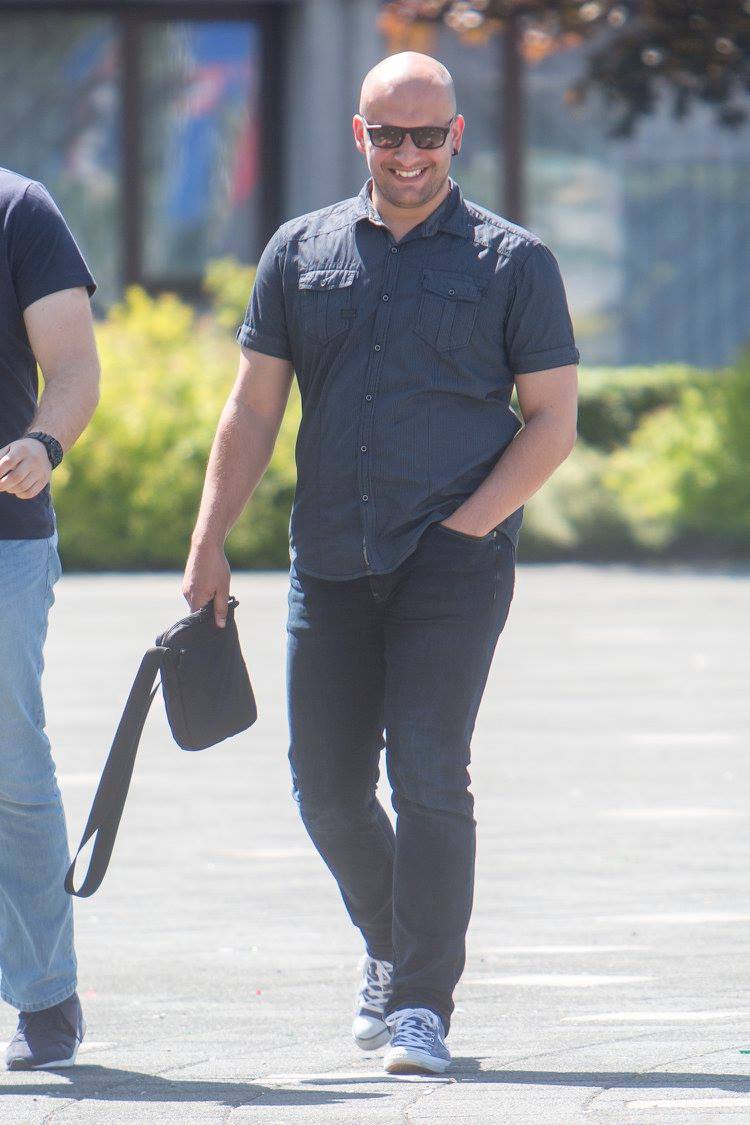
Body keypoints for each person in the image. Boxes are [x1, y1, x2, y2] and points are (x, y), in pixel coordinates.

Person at [183, 52, 578, 1075]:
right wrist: (209, 540)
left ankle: (420, 1007)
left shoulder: (514, 262)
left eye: (428, 135)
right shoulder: (299, 250)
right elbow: (254, 407)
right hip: (330, 556)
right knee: (325, 787)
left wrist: (468, 528)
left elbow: (552, 421)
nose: (409, 154)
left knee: (430, 773)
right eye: (389, 135)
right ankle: (389, 942)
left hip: (454, 558)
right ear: (360, 135)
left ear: (456, 137)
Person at [1, 169, 99, 1070]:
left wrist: (43, 440)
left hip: (3, 537)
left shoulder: (18, 209)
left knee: (8, 762)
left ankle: (43, 993)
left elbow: (72, 366)